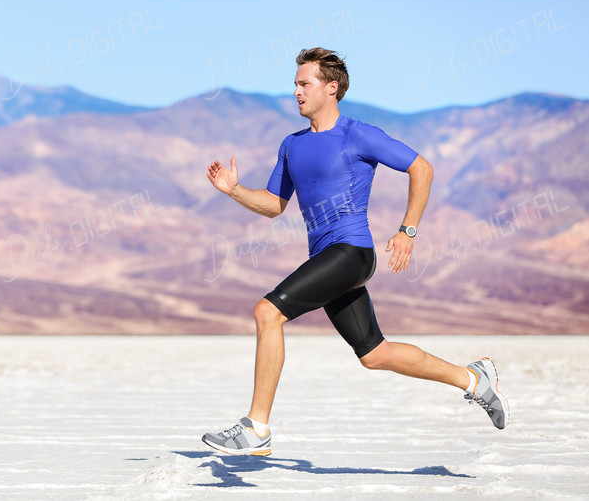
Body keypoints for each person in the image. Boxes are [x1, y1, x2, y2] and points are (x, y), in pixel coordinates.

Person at [202, 47, 509, 457]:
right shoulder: (291, 145)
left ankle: (256, 428)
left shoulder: (356, 135)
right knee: (374, 354)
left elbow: (423, 168)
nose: (296, 91)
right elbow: (275, 205)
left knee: (266, 312)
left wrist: (408, 231)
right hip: (327, 258)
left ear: (332, 88)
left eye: (304, 83)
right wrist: (235, 190)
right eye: (295, 84)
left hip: (351, 252)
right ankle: (473, 380)